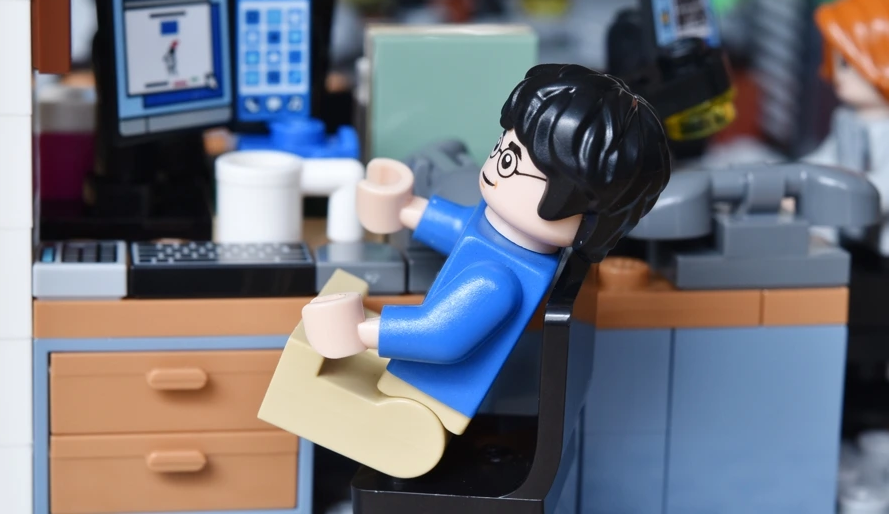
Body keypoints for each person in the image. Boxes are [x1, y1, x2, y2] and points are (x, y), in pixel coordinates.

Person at [260, 64, 670, 478]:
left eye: (512, 161)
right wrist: (406, 209)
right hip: (409, 377)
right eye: (504, 149)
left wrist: (360, 332)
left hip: (423, 401)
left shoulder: (497, 282)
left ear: (580, 209)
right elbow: (465, 231)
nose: (498, 165)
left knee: (300, 366)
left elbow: (440, 335)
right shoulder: (507, 243)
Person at [805, 0, 889, 257]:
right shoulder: (849, 121)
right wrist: (787, 180)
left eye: (847, 62)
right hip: (852, 238)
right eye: (836, 59)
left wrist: (824, 193)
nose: (838, 73)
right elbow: (823, 161)